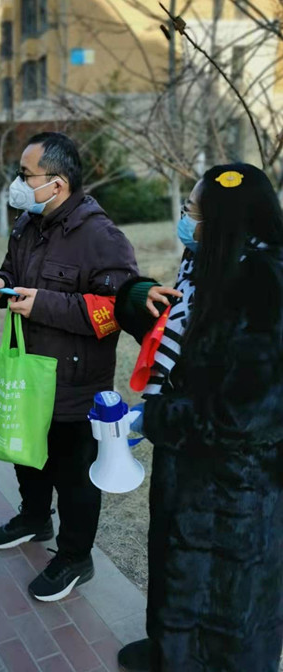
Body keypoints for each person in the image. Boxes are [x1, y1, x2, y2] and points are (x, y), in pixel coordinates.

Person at [114, 164, 283, 672]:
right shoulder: (208, 263)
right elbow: (183, 337)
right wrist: (138, 298)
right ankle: (170, 648)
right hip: (189, 464)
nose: (185, 219)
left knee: (228, 595)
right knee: (178, 566)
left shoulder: (265, 283)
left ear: (224, 219)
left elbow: (245, 412)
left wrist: (156, 416)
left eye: (193, 210)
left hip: (237, 483)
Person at [0, 131, 138, 601]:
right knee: (27, 454)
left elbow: (115, 313)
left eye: (26, 175)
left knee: (74, 475)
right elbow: (13, 271)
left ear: (58, 183)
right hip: (28, 370)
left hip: (74, 384)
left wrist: (42, 304)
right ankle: (33, 517)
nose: (18, 183)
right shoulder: (28, 223)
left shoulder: (101, 238)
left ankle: (75, 557)